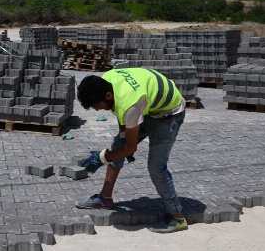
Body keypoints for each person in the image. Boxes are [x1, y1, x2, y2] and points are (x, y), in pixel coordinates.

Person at [75, 68, 188, 233]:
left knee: (156, 168)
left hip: (169, 114)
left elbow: (130, 147)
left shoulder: (129, 103)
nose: (97, 110)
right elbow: (124, 121)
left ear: (107, 95)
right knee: (117, 147)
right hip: (148, 107)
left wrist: (103, 157)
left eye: (96, 105)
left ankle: (178, 218)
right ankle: (105, 198)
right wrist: (122, 142)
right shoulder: (108, 79)